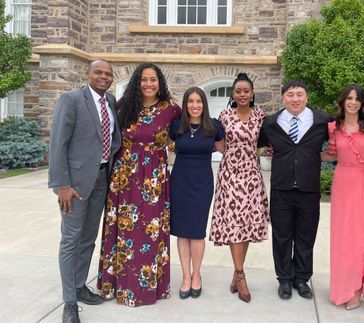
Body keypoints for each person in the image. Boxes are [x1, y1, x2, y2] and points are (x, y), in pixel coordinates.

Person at [97, 62, 181, 307]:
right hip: (124, 177)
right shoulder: (122, 106)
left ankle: (147, 288)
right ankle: (116, 285)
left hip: (154, 180)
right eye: (144, 79)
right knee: (121, 231)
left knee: (149, 231)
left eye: (153, 79)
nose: (148, 84)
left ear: (160, 82)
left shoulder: (170, 109)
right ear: (137, 82)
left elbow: (191, 126)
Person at [48, 59, 121, 323]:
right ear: (87, 74)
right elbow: (58, 143)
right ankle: (69, 303)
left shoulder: (110, 102)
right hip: (75, 186)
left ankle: (80, 286)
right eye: (98, 72)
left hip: (102, 179)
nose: (104, 77)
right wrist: (62, 185)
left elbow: (112, 141)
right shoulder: (72, 99)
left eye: (108, 74)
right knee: (70, 241)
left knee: (88, 239)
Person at [258, 80, 330, 300]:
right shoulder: (270, 123)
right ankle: (284, 279)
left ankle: (301, 278)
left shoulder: (322, 121)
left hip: (309, 189)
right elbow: (257, 144)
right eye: (290, 95)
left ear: (306, 97)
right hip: (282, 188)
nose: (295, 99)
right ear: (283, 98)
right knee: (281, 236)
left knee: (306, 236)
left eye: (299, 94)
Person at [209, 72, 269, 303]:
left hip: (252, 177)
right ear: (233, 94)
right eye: (238, 91)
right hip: (230, 176)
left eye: (246, 91)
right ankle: (241, 275)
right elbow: (219, 145)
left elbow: (265, 142)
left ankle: (236, 273)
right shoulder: (224, 116)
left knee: (246, 225)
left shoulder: (261, 115)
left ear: (252, 93)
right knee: (234, 223)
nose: (242, 94)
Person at [323, 84, 364, 310]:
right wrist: (302, 154)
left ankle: (356, 290)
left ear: (362, 103)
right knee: (343, 238)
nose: (353, 102)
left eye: (357, 99)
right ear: (342, 101)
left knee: (361, 237)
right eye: (349, 98)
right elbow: (331, 154)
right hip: (342, 184)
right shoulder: (333, 127)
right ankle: (342, 287)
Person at [169, 87, 225, 299]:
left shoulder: (214, 127)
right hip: (180, 182)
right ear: (185, 104)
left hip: (202, 183)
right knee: (182, 231)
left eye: (198, 101)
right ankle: (185, 276)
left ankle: (197, 275)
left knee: (197, 231)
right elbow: (158, 146)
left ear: (204, 103)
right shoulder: (177, 126)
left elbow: (225, 150)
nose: (195, 105)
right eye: (190, 101)